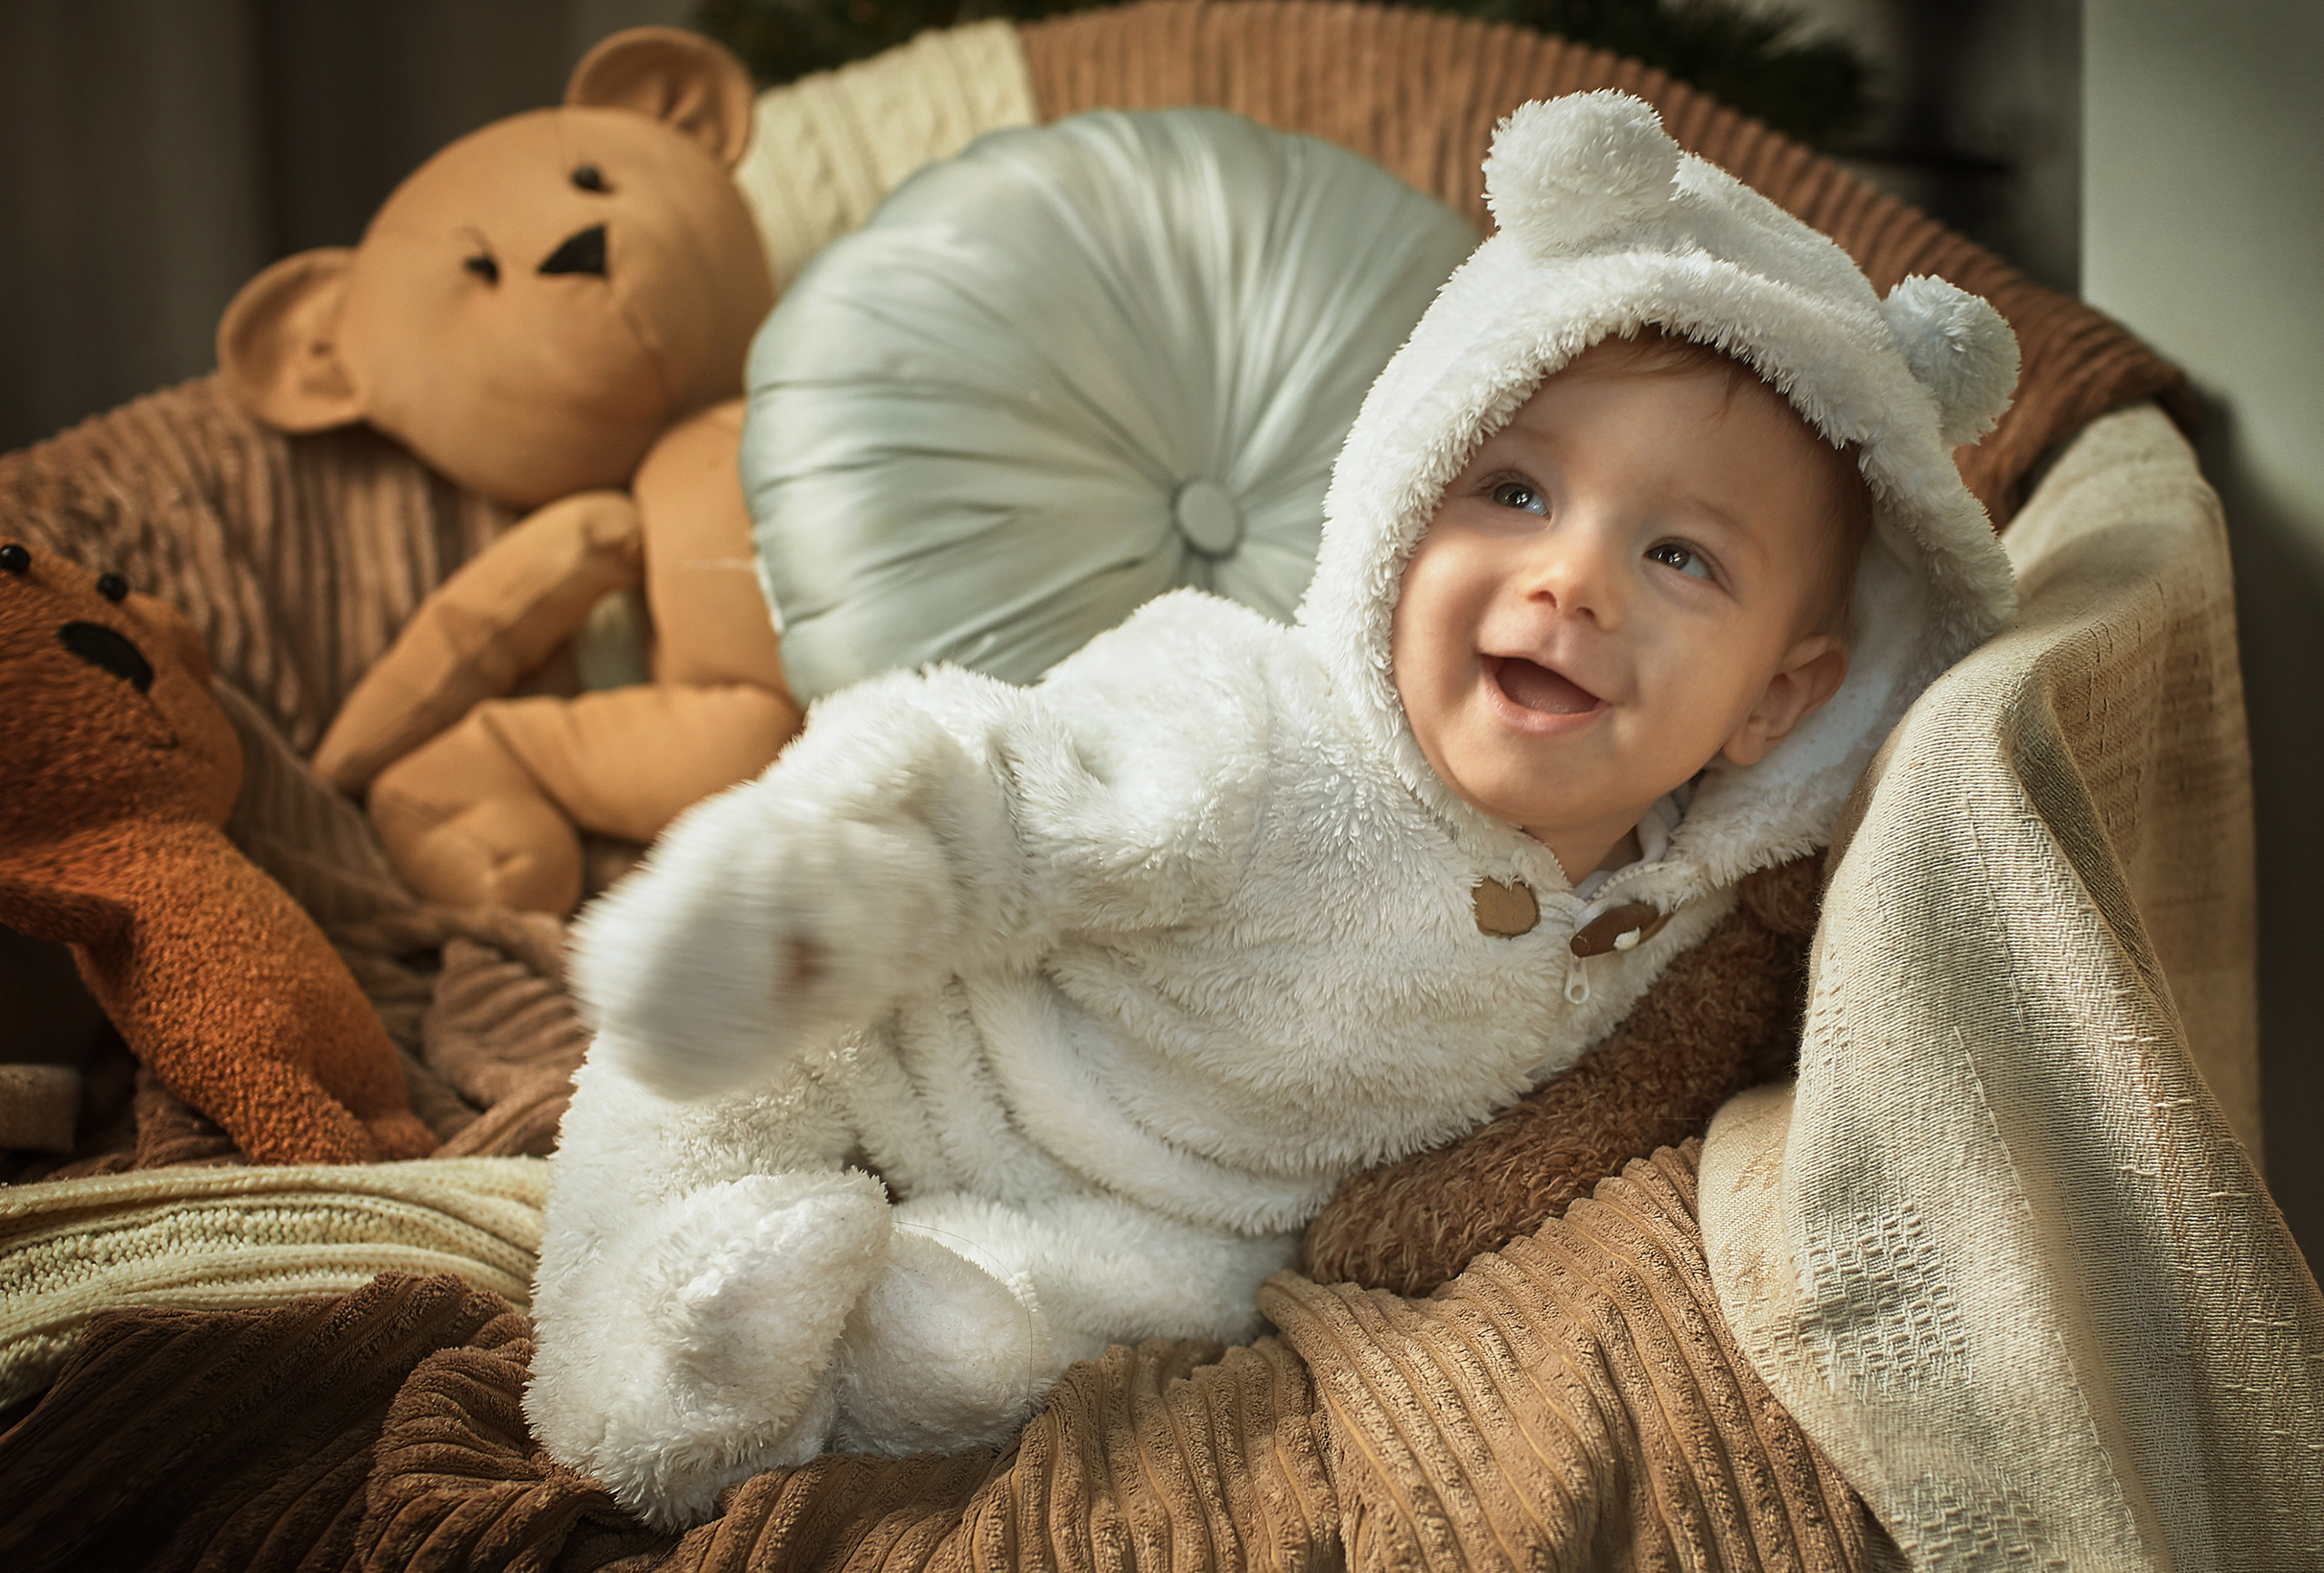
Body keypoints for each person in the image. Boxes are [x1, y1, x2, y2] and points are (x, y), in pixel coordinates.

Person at [525, 90, 2021, 1530]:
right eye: (1512, 492)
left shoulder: (1682, 899)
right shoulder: (1249, 724)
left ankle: (839, 1343)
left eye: (1682, 557)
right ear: (1398, 494)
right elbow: (1008, 793)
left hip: (1168, 1224)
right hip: (909, 1043)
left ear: (1779, 699)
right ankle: (644, 1366)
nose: (1572, 579)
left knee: (1081, 1340)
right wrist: (826, 897)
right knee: (694, 1085)